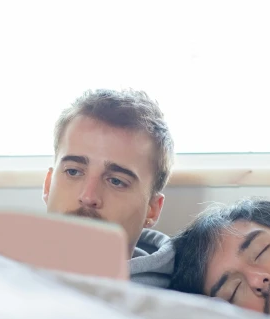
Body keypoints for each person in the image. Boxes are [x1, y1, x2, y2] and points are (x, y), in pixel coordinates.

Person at [43, 88, 175, 288]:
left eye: (116, 181)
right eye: (73, 172)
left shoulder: (177, 307)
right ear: (47, 185)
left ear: (152, 209)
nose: (88, 196)